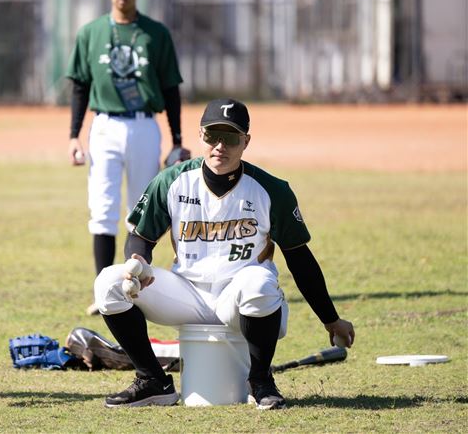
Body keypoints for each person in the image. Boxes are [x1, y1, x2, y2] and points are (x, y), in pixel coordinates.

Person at [93, 98, 356, 409]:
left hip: (241, 299)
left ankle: (260, 381)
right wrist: (137, 261)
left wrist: (331, 319)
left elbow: (300, 259)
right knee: (108, 283)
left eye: (230, 138)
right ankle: (153, 380)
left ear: (246, 141)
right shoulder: (172, 181)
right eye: (211, 136)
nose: (220, 146)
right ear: (201, 135)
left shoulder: (272, 190)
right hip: (186, 294)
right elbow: (140, 236)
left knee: (259, 282)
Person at [66, 0, 189, 315]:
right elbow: (80, 85)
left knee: (141, 211)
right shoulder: (91, 33)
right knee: (102, 209)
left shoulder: (155, 33)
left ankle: (131, 288)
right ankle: (103, 289)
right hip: (104, 124)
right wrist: (74, 136)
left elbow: (170, 89)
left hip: (144, 125)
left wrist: (176, 139)